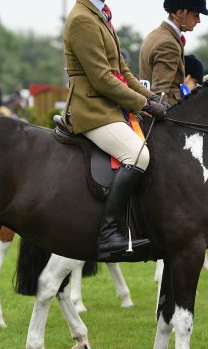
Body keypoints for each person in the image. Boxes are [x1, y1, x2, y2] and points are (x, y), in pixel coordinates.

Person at [62, 0, 171, 259]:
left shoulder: (101, 15)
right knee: (137, 156)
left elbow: (122, 71)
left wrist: (152, 97)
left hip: (108, 106)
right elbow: (101, 78)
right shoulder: (81, 18)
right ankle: (108, 234)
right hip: (90, 108)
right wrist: (142, 103)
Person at [140, 0, 208, 106]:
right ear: (180, 13)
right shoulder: (168, 43)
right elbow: (159, 94)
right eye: (195, 15)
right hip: (170, 113)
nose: (198, 20)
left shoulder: (155, 35)